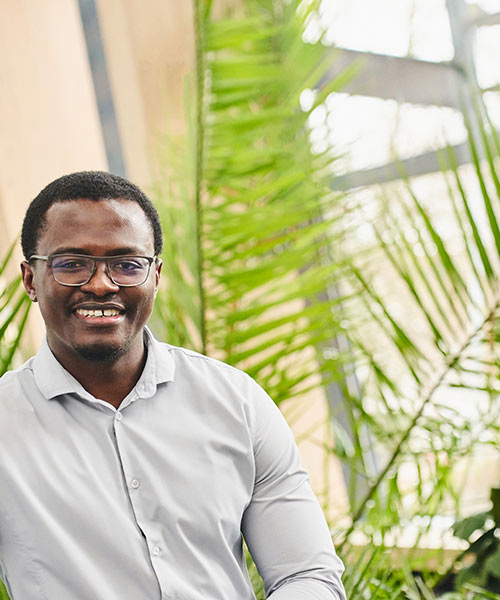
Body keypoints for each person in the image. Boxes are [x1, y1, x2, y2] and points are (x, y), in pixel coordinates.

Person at [0, 171, 346, 600]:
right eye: (71, 264)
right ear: (31, 280)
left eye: (127, 265)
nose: (102, 285)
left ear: (156, 276)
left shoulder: (236, 401)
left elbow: (307, 574)